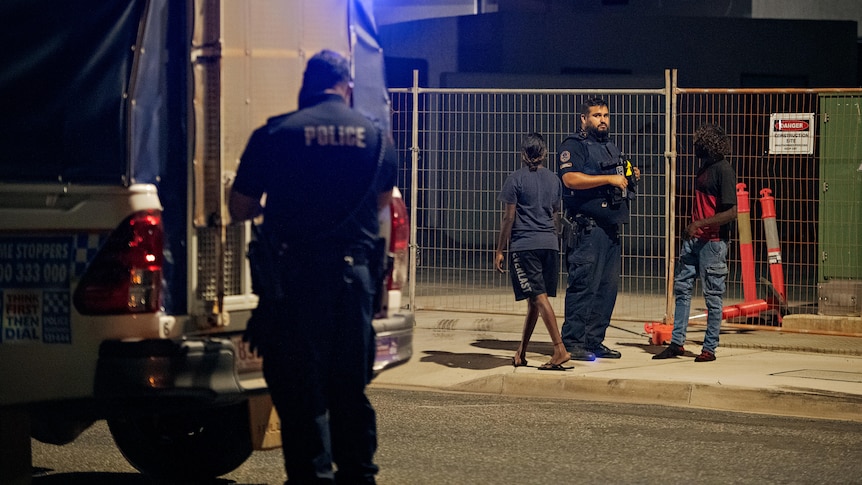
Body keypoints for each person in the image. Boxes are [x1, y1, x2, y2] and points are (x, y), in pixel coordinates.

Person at [229, 49, 397, 484]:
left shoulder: (275, 133)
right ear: (348, 87)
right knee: (349, 389)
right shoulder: (377, 138)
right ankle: (359, 475)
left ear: (306, 85)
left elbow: (241, 208)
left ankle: (312, 477)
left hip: (294, 283)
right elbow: (380, 207)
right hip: (354, 281)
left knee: (300, 391)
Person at [557, 98, 640, 361]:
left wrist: (630, 175)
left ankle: (594, 341)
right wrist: (608, 179)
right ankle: (572, 342)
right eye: (596, 115)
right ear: (584, 119)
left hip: (611, 229)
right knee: (584, 286)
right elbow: (570, 178)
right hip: (588, 230)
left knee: (606, 289)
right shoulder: (574, 145)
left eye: (605, 115)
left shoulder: (609, 146)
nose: (602, 120)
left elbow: (619, 174)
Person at [653, 123, 737, 362]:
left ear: (708, 145)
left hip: (712, 243)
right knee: (682, 290)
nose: (694, 146)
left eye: (697, 142)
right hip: (694, 240)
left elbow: (732, 212)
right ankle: (677, 343)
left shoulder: (723, 170)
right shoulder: (705, 167)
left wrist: (699, 224)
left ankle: (709, 348)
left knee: (713, 296)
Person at [494, 132, 570, 371]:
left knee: (538, 297)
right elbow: (556, 214)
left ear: (522, 154)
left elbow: (509, 218)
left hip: (525, 245)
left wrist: (499, 250)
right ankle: (521, 352)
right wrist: (553, 238)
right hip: (549, 244)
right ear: (545, 154)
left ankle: (559, 349)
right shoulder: (554, 180)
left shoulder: (515, 180)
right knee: (534, 302)